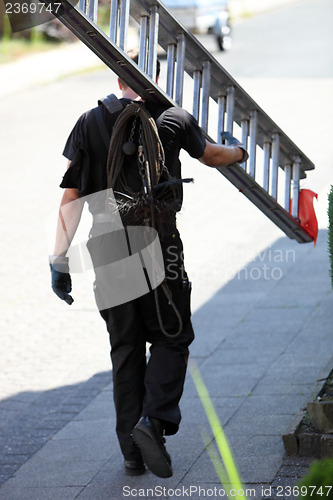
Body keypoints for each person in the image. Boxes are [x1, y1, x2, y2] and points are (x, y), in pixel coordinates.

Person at [49, 49, 248, 479]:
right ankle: (153, 423)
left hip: (106, 247)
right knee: (172, 337)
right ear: (154, 75)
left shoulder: (89, 121)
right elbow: (213, 156)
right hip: (159, 245)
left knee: (125, 350)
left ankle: (132, 454)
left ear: (116, 78)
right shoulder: (173, 118)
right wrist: (239, 150)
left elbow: (71, 199)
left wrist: (59, 260)